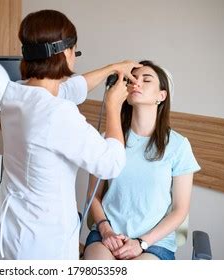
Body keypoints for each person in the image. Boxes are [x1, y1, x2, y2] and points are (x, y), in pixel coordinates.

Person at [0, 9, 141, 260]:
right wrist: (114, 106)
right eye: (75, 51)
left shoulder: (15, 94)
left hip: (10, 227)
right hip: (40, 241)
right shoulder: (56, 113)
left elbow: (70, 89)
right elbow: (110, 164)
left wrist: (113, 67)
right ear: (66, 52)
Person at [83, 60, 201, 260]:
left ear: (161, 96)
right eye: (133, 79)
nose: (136, 83)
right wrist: (105, 229)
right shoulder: (109, 140)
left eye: (146, 80)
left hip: (154, 243)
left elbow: (180, 210)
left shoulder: (178, 146)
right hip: (108, 234)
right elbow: (93, 196)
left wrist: (142, 242)